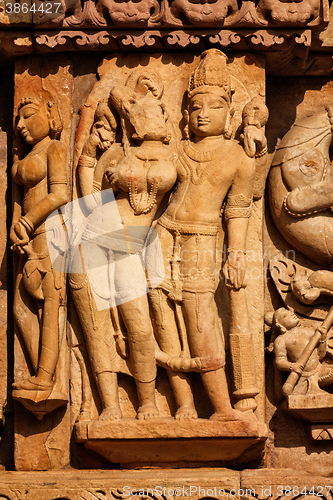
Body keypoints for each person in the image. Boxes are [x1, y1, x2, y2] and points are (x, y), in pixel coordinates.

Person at [148, 48, 265, 419]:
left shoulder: (238, 157)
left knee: (200, 319)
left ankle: (222, 407)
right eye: (196, 106)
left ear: (229, 114)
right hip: (163, 235)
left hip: (203, 241)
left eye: (213, 107)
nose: (202, 113)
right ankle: (183, 403)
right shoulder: (178, 150)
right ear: (185, 114)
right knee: (162, 314)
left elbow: (238, 210)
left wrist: (237, 255)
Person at [10, 95, 69, 417]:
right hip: (28, 235)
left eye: (28, 116)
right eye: (17, 119)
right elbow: (20, 196)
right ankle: (41, 373)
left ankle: (46, 379)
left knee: (49, 303)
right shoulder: (27, 153)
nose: (20, 125)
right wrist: (15, 227)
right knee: (21, 306)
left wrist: (28, 222)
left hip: (49, 233)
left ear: (49, 115)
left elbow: (60, 193)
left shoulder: (54, 148)